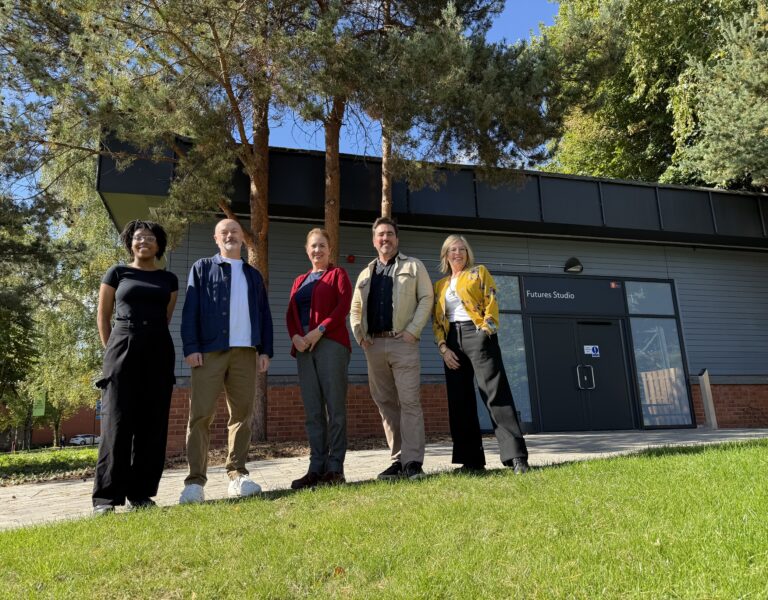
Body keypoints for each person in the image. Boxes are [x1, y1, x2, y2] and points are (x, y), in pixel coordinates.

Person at [179, 218, 273, 503]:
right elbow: (190, 309)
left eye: (235, 231)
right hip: (208, 352)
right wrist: (191, 347)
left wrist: (265, 350)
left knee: (241, 416)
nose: (230, 236)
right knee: (201, 415)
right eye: (224, 232)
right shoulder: (202, 268)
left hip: (245, 353)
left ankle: (237, 475)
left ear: (243, 238)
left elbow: (264, 314)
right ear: (215, 238)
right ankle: (195, 482)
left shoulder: (252, 275)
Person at [92, 220, 178, 515]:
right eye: (138, 238)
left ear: (159, 245)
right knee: (117, 423)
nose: (144, 242)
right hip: (122, 346)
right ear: (130, 243)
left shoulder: (169, 279)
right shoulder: (117, 273)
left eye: (150, 238)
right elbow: (103, 315)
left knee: (152, 425)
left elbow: (166, 316)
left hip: (158, 348)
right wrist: (112, 350)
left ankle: (140, 494)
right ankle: (105, 498)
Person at [432, 234, 530, 474]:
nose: (458, 253)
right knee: (460, 401)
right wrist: (443, 348)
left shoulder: (479, 273)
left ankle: (516, 456)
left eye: (462, 249)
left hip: (477, 334)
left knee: (495, 394)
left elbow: (491, 300)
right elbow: (437, 321)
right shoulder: (440, 285)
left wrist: (486, 329)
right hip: (452, 341)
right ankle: (471, 461)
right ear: (445, 255)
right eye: (452, 250)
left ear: (467, 253)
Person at [350, 217, 434, 480]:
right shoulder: (366, 273)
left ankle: (413, 463)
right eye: (380, 235)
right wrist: (360, 337)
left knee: (409, 401)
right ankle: (398, 460)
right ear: (374, 241)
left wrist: (413, 330)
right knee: (385, 403)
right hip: (374, 345)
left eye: (389, 234)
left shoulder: (414, 266)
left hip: (403, 343)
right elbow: (355, 309)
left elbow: (427, 298)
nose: (385, 239)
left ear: (397, 239)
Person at [286, 228, 353, 489]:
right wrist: (295, 337)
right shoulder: (299, 280)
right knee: (313, 411)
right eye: (313, 246)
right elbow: (290, 314)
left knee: (335, 408)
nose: (317, 250)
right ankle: (316, 467)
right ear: (307, 250)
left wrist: (319, 330)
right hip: (304, 349)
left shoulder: (338, 274)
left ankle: (335, 468)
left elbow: (343, 307)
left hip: (331, 345)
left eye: (322, 246)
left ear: (329, 249)